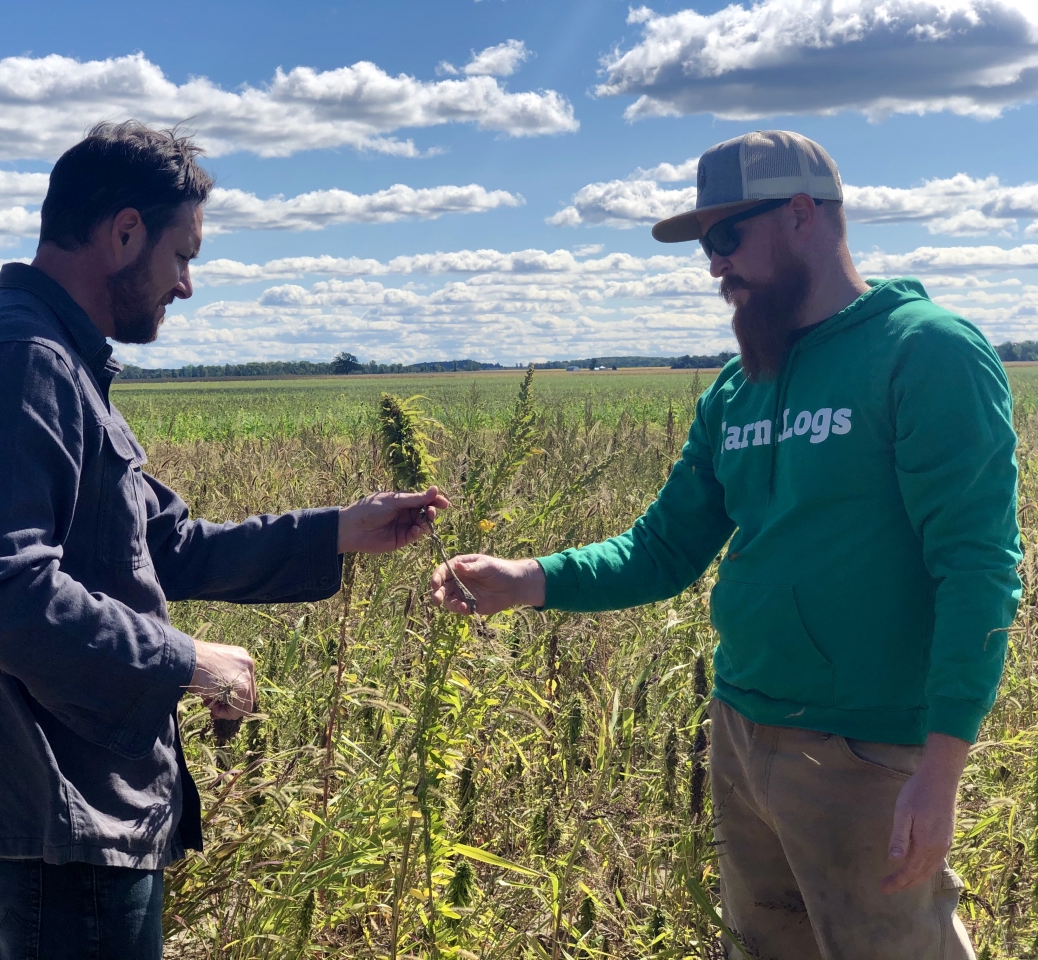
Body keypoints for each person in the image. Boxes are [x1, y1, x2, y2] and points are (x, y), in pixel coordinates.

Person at [430, 130, 1020, 959]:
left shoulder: (925, 352)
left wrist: (941, 767)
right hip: (742, 731)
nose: (714, 265)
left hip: (868, 754)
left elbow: (978, 568)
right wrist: (525, 578)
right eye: (706, 246)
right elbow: (662, 550)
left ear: (803, 214)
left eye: (726, 237)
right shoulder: (742, 384)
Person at [0, 121, 449, 959]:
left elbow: (164, 546)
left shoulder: (52, 357)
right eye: (182, 256)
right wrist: (187, 661)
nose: (186, 286)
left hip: (64, 809)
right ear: (124, 232)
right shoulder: (22, 358)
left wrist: (339, 531)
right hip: (60, 811)